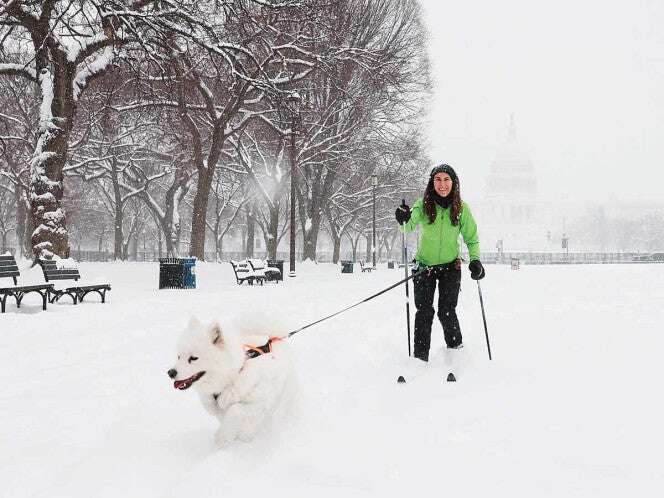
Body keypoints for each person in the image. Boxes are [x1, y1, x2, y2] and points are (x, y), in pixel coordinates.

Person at [395, 164, 485, 361]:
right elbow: (408, 226)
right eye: (438, 180)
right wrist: (402, 216)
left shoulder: (461, 208)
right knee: (424, 312)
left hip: (450, 268)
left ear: (454, 183)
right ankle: (420, 358)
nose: (442, 184)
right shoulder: (423, 204)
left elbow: (472, 238)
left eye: (446, 180)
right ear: (432, 182)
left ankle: (456, 352)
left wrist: (476, 260)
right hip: (424, 268)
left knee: (446, 311)